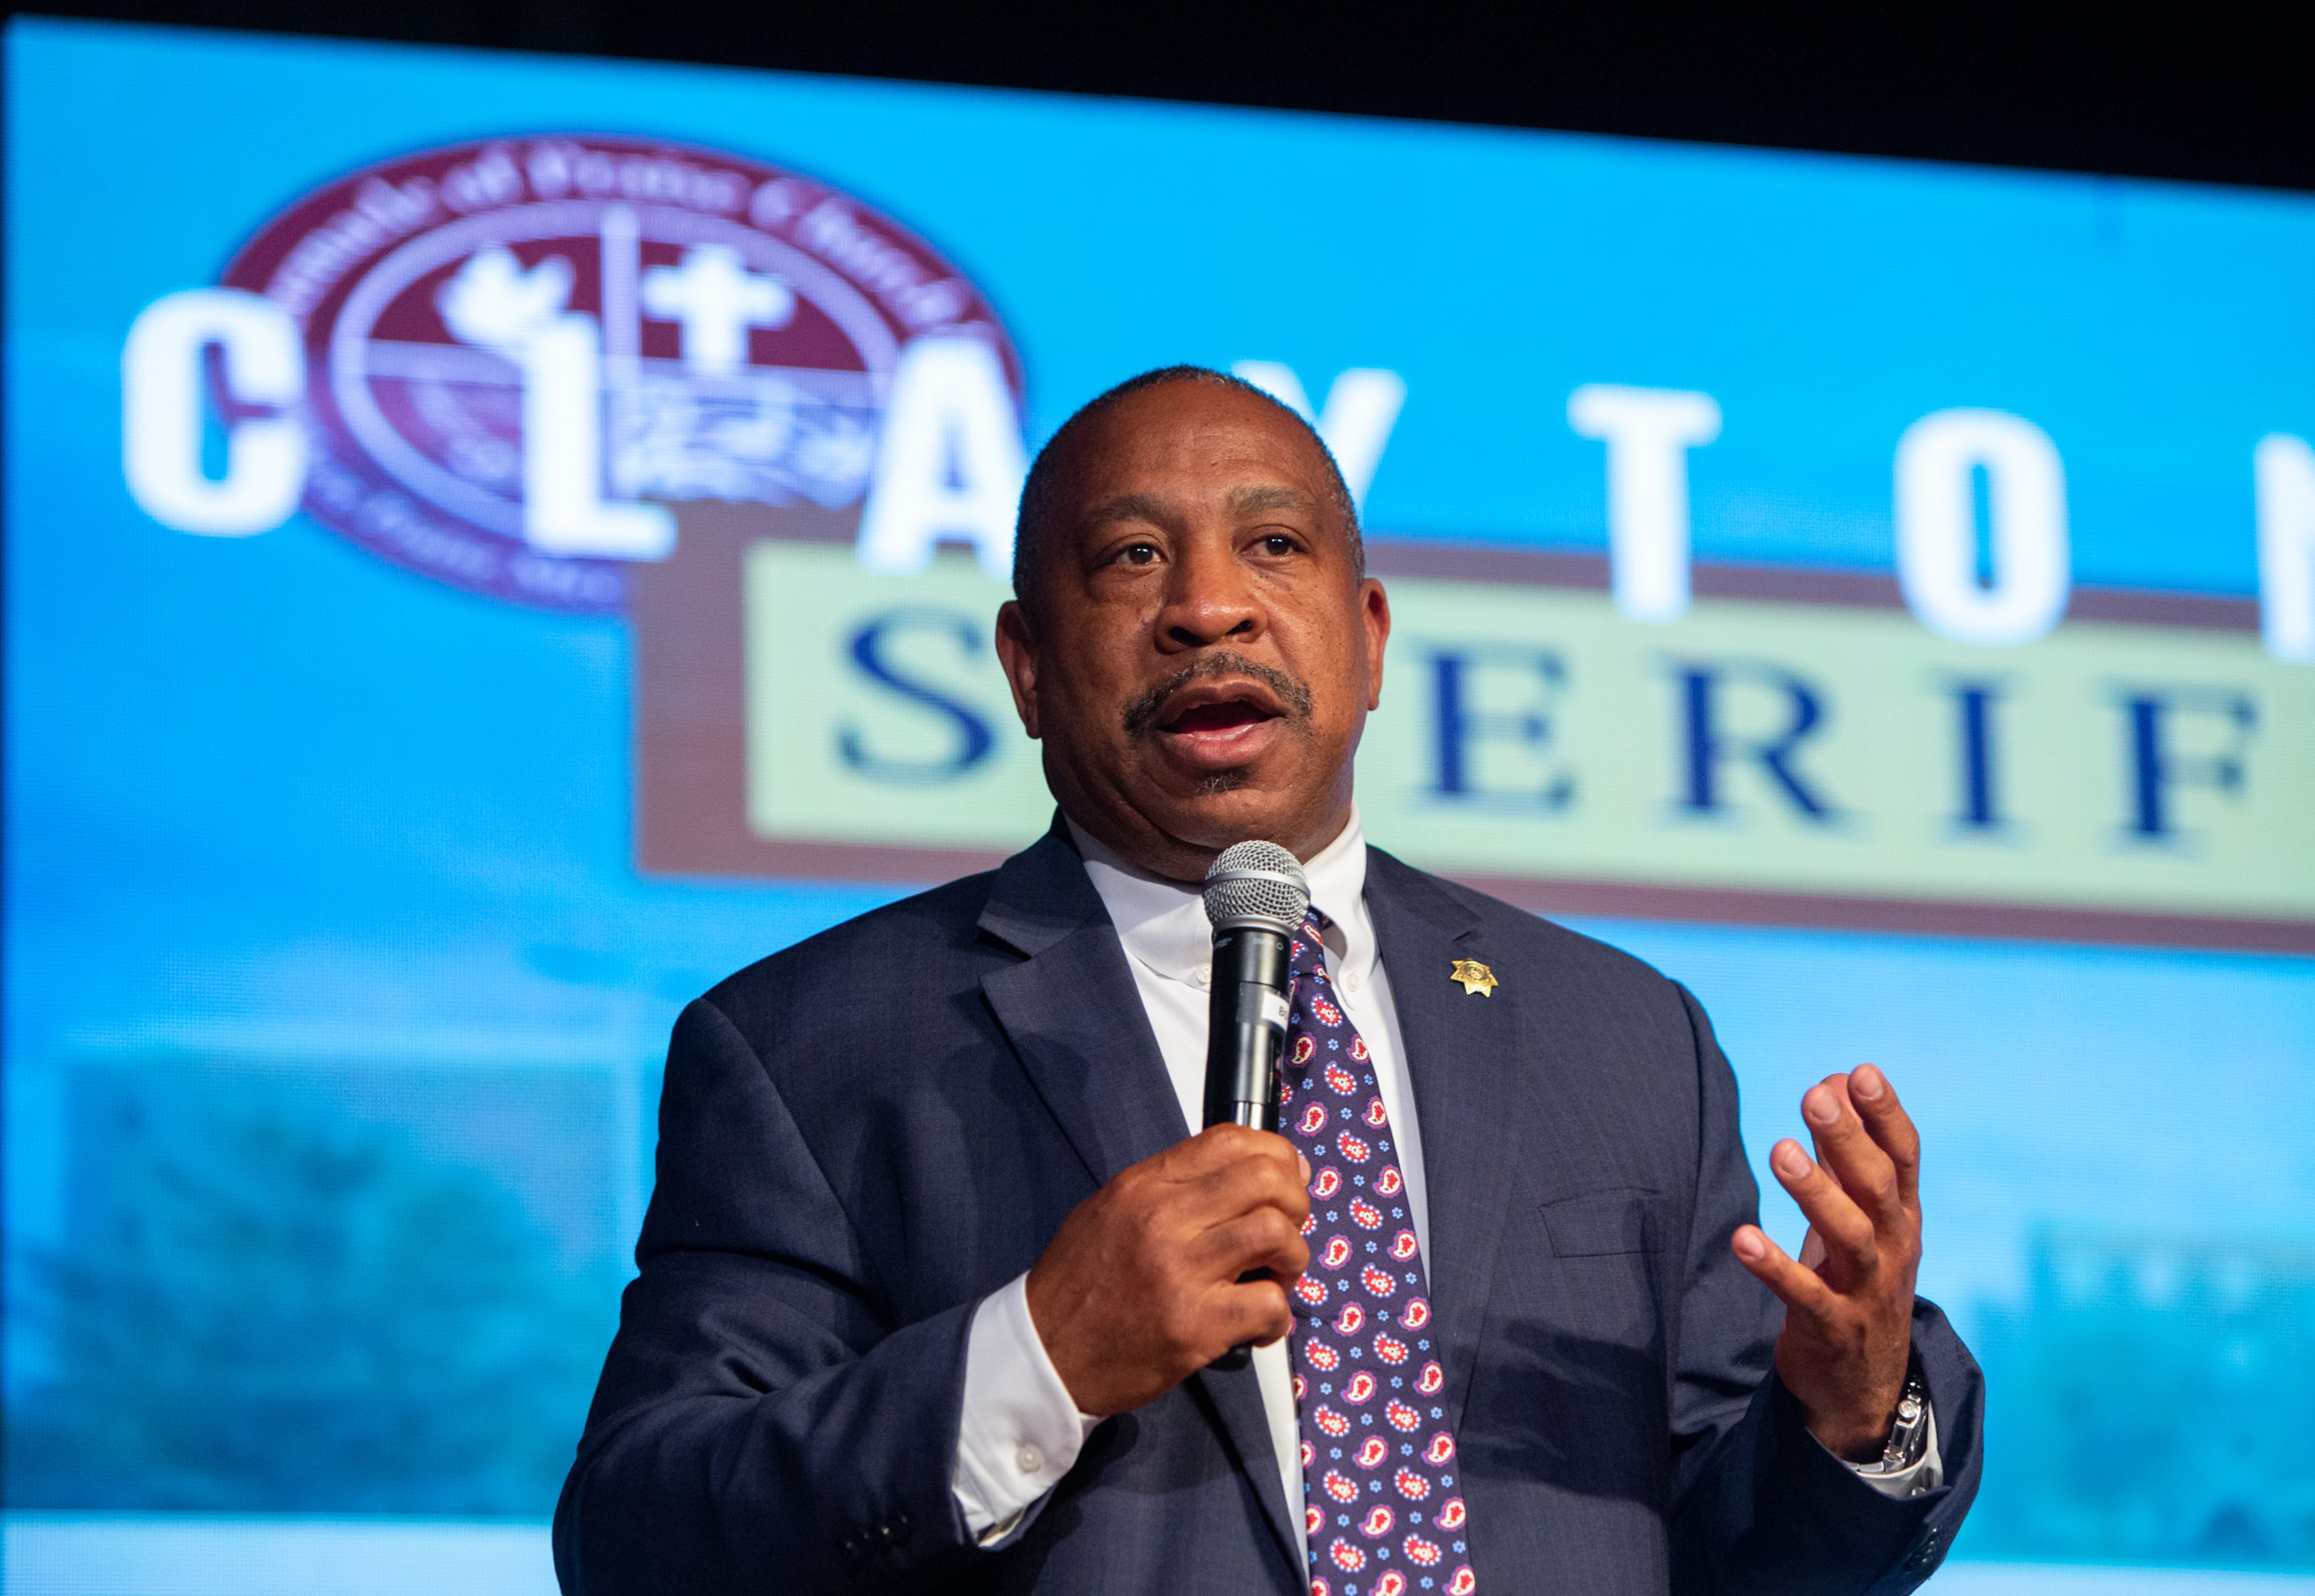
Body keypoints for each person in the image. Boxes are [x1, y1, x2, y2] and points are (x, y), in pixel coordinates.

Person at [554, 367, 1983, 1595]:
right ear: (1027, 665)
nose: (1210, 608)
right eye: (1129, 558)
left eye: (1276, 545)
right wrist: (1037, 1354)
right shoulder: (814, 1044)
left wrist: (1850, 1416)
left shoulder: (1623, 1037)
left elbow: (1751, 1555)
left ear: (1365, 642)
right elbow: (640, 1532)